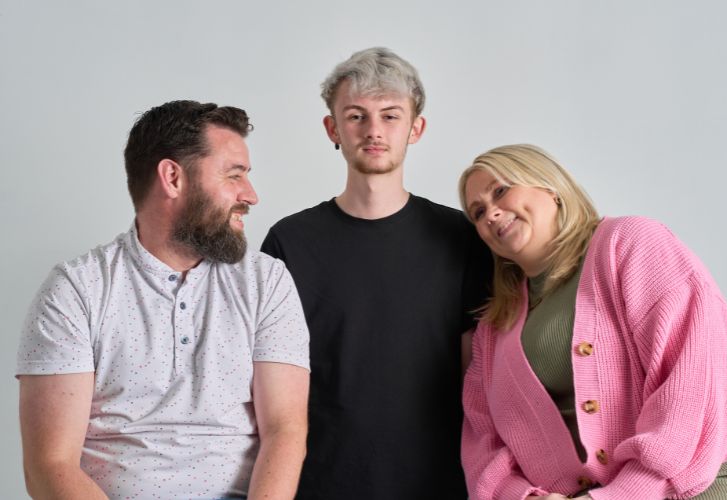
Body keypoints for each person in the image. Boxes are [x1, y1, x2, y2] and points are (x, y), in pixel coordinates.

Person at [16, 100, 310, 500]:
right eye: (234, 176)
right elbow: (49, 465)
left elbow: (286, 431)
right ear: (173, 177)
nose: (251, 195)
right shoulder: (76, 290)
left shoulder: (267, 282)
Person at [458, 144, 727, 500]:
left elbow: (692, 381)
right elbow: (483, 444)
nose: (491, 213)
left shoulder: (629, 244)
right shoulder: (493, 328)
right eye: (477, 212)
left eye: (501, 191)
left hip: (705, 482)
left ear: (549, 186)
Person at [261, 47, 492, 499]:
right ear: (333, 129)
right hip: (319, 481)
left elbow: (480, 380)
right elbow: (270, 392)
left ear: (415, 128)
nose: (373, 131)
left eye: (390, 116)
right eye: (356, 116)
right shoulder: (289, 242)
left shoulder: (461, 237)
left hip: (441, 481)